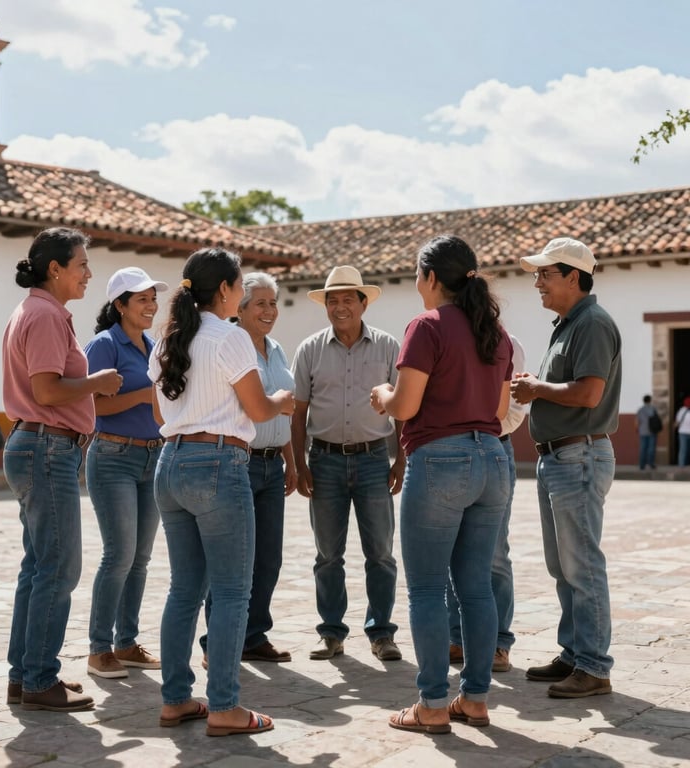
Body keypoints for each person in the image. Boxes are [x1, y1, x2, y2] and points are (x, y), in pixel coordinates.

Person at [149, 247, 294, 736]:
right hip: (220, 462)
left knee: (184, 590)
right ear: (228, 291)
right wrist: (282, 400)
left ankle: (174, 699)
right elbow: (257, 408)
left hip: (170, 463)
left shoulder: (167, 342)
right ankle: (226, 706)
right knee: (233, 590)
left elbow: (158, 415)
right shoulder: (230, 339)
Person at [371, 235, 512, 733]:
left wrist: (384, 393)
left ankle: (431, 704)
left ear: (431, 278)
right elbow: (498, 411)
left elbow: (406, 407)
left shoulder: (426, 327)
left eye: (416, 274)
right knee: (476, 586)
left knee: (428, 588)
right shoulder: (496, 333)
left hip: (439, 458)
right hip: (493, 458)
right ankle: (474, 699)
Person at [2, 227, 122, 712]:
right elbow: (49, 390)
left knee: (38, 568)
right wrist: (97, 382)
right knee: (59, 568)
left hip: (35, 445)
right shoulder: (48, 316)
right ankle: (39, 679)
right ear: (55, 269)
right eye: (82, 265)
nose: (89, 274)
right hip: (48, 447)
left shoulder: (32, 310)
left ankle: (25, 673)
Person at [511, 236, 621, 699]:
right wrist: (538, 388)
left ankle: (594, 666)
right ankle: (575, 653)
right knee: (564, 565)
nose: (537, 282)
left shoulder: (591, 323)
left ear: (573, 277)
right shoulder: (568, 323)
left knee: (582, 565)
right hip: (560, 456)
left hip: (577, 455)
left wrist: (537, 388)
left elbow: (589, 393)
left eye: (545, 274)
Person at [291, 265, 404, 662]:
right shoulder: (309, 350)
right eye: (332, 300)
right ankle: (331, 633)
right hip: (324, 461)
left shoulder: (389, 346)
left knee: (381, 553)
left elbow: (403, 409)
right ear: (325, 306)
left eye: (347, 299)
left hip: (374, 458)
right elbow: (297, 410)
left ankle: (382, 633)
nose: (339, 307)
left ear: (362, 303)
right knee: (327, 555)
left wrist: (400, 458)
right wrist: (299, 463)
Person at [200, 272, 297, 666]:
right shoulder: (231, 347)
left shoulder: (277, 351)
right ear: (239, 310)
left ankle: (253, 636)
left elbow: (285, 411)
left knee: (268, 558)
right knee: (231, 559)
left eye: (273, 303)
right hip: (238, 463)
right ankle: (217, 642)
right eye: (260, 303)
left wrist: (291, 461)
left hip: (273, 466)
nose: (270, 310)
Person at [84, 267, 169, 679]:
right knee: (118, 555)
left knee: (140, 558)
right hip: (113, 457)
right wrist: (144, 394)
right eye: (142, 299)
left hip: (153, 458)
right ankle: (99, 649)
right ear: (120, 306)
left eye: (154, 298)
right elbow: (92, 409)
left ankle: (127, 642)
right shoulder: (103, 345)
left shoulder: (154, 347)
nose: (152, 305)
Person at [448, 335, 526, 674]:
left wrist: (474, 422)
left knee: (494, 552)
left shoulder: (509, 346)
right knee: (452, 549)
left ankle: (498, 641)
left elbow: (512, 414)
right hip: (450, 451)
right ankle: (458, 637)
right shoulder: (447, 341)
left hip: (495, 447)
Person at [635, 395, 658, 470]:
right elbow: (656, 419)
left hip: (642, 431)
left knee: (643, 448)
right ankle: (651, 464)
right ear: (650, 400)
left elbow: (636, 421)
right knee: (651, 449)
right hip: (652, 431)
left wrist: (637, 429)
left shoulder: (640, 409)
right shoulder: (653, 409)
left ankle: (642, 465)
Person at [676, 396, 690, 466]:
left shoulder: (681, 410)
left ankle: (681, 465)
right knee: (685, 450)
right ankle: (684, 464)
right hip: (683, 433)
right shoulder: (682, 410)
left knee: (683, 449)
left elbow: (677, 421)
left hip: (682, 432)